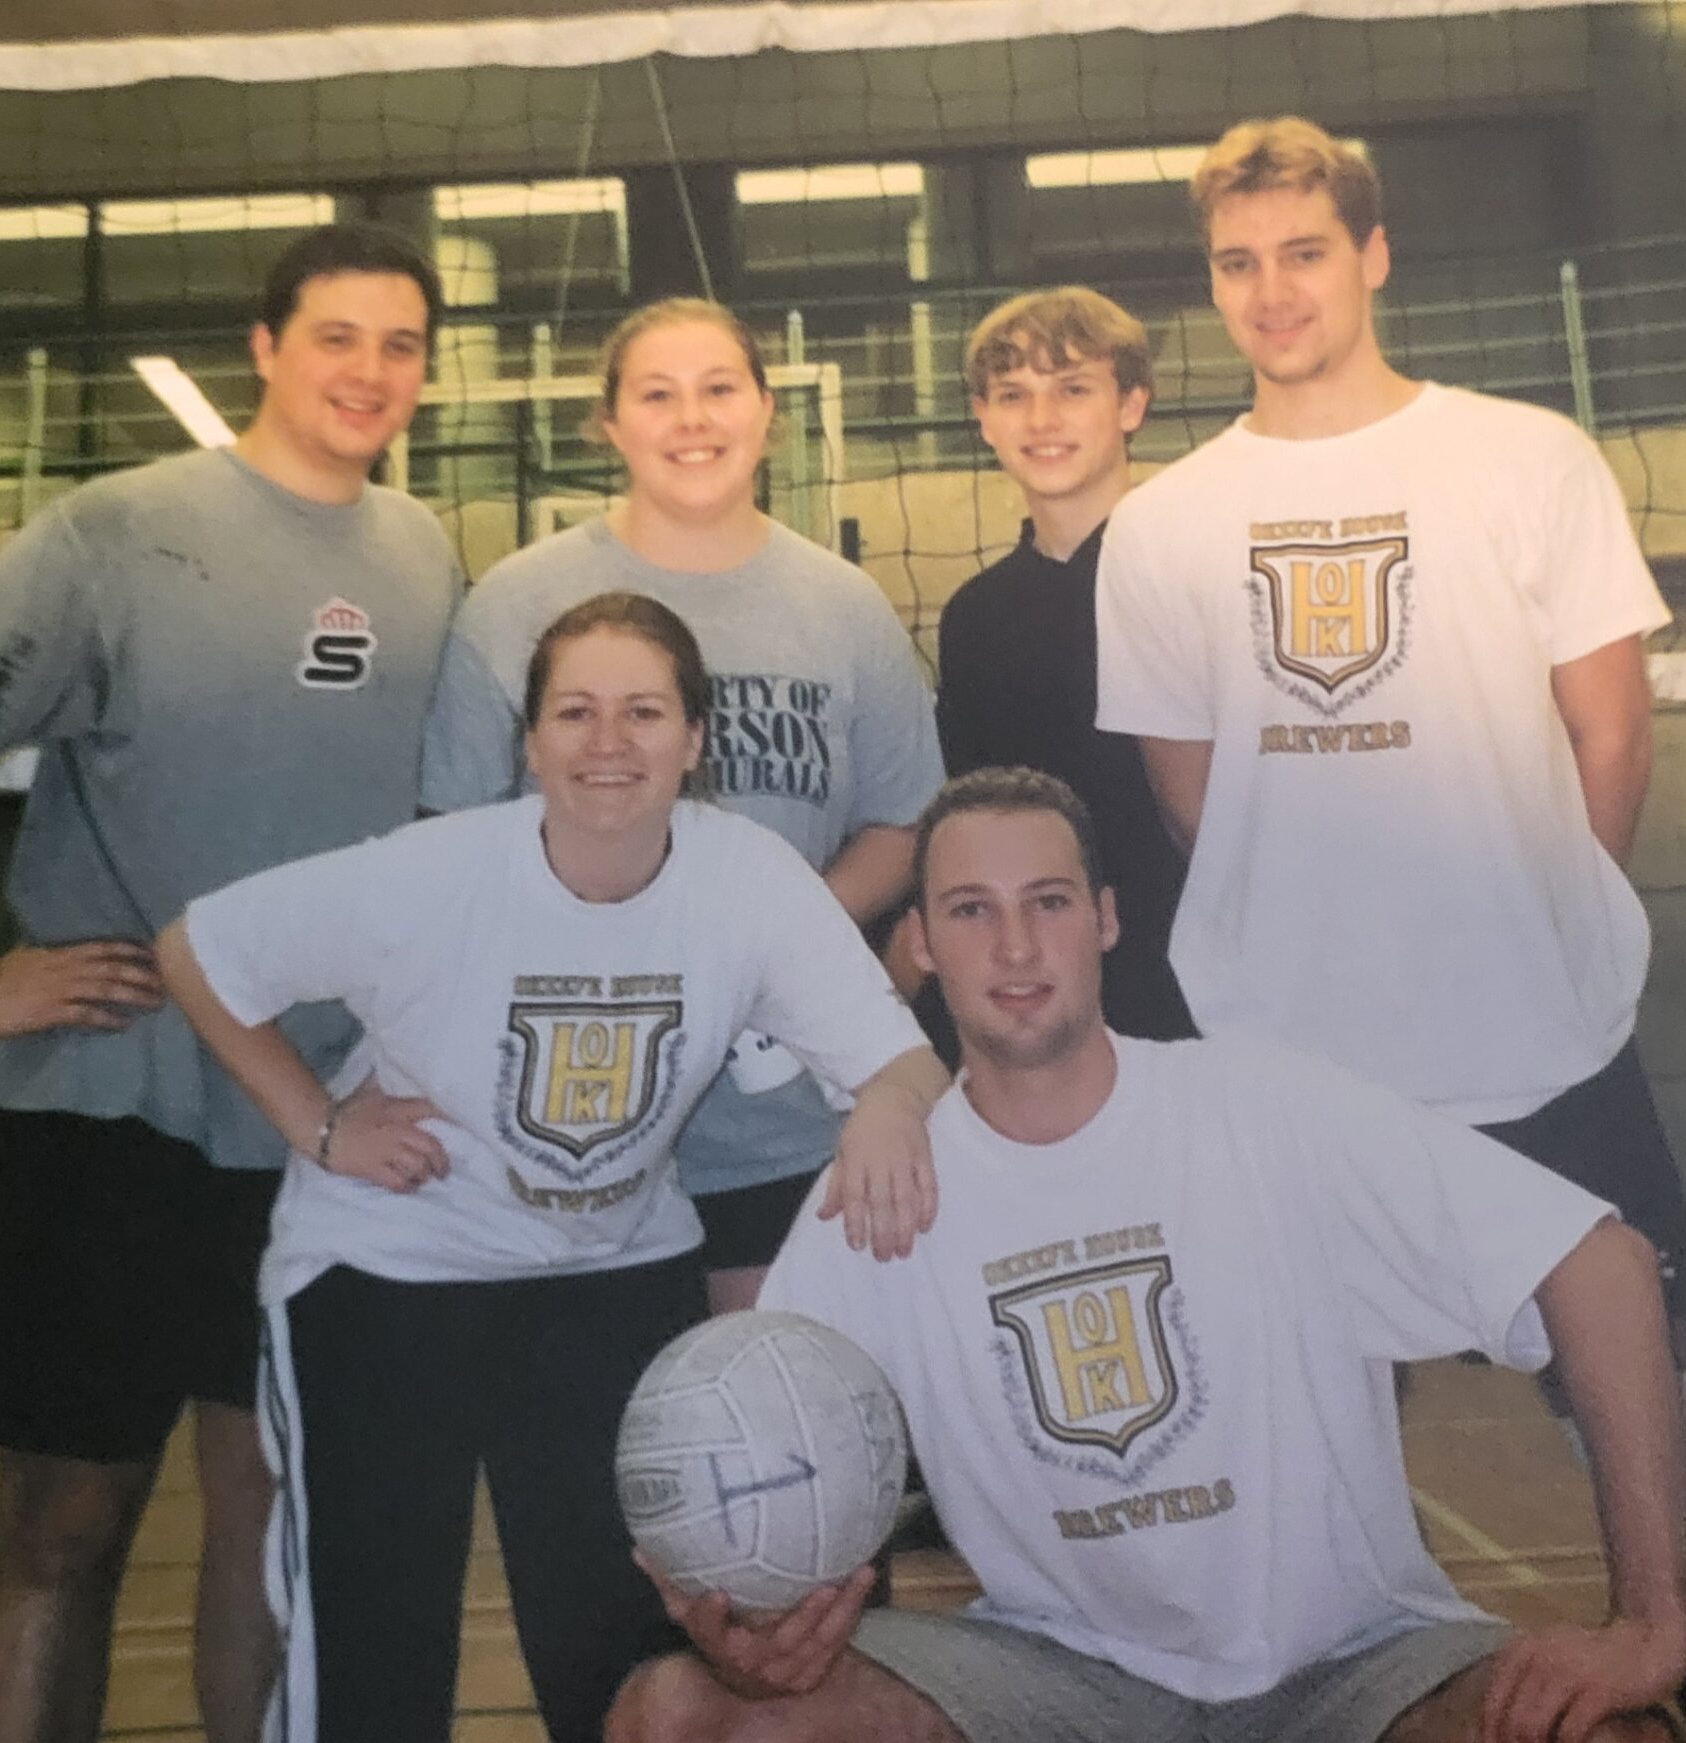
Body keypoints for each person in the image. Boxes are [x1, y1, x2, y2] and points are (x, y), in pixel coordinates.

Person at [1090, 118, 1686, 1743]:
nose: (1271, 290)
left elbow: (1611, 737)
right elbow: (1194, 792)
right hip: (1291, 1073)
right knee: (1275, 1471)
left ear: (1372, 253)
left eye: (1302, 251)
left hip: (1541, 1049)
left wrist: (1526, 926)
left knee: (1684, 1460)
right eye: (1237, 262)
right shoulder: (1169, 524)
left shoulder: (1524, 455)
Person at [608, 768, 1686, 1743]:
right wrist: (750, 1630)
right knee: (680, 1719)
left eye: (1048, 902)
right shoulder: (886, 1197)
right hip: (1054, 1679)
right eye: (971, 913)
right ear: (923, 948)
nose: (1017, 948)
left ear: (1105, 920)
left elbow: (1601, 1265)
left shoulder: (1262, 1108)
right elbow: (752, 1461)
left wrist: (1649, 1622)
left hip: (1354, 1669)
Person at [0, 223, 457, 1743]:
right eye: (336, 336)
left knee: (268, 1513)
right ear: (264, 347)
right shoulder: (116, 528)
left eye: (401, 345)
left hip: (317, 1124)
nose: (368, 371)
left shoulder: (429, 554)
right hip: (120, 1109)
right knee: (66, 1517)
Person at [157, 593, 947, 1743]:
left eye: (642, 711)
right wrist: (322, 1129)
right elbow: (201, 950)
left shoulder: (749, 877)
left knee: (619, 1656)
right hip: (388, 1270)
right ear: (528, 744)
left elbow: (906, 1068)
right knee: (374, 1656)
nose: (609, 742)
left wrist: (883, 1103)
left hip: (611, 1275)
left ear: (695, 738)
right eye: (574, 712)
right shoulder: (433, 877)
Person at [421, 297, 945, 1311]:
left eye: (718, 390)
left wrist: (765, 940)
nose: (691, 419)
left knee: (772, 1421)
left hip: (777, 1114)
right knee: (587, 1444)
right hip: (570, 1115)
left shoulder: (841, 605)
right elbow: (454, 838)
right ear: (610, 426)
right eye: (656, 395)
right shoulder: (519, 601)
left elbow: (902, 822)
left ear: (766, 415)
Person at [921, 287, 1193, 1047]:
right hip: (1044, 989)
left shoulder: (1199, 575)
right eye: (1014, 395)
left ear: (1131, 404)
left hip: (1197, 983)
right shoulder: (977, 615)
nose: (1041, 421)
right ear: (982, 417)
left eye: (1073, 389)